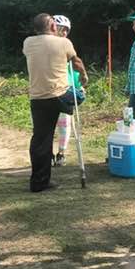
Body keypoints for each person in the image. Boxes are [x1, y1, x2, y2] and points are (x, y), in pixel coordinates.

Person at [22, 14, 88, 192]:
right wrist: (84, 76)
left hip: (37, 98)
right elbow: (77, 62)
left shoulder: (27, 43)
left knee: (40, 139)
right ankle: (76, 101)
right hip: (59, 96)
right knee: (80, 94)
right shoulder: (64, 43)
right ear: (53, 26)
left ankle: (39, 182)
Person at [51, 15, 79, 168]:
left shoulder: (67, 45)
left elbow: (73, 67)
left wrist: (78, 83)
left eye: (66, 30)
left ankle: (61, 153)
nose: (63, 33)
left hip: (65, 90)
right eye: (61, 29)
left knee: (65, 123)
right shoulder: (44, 45)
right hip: (48, 91)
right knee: (47, 125)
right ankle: (48, 153)